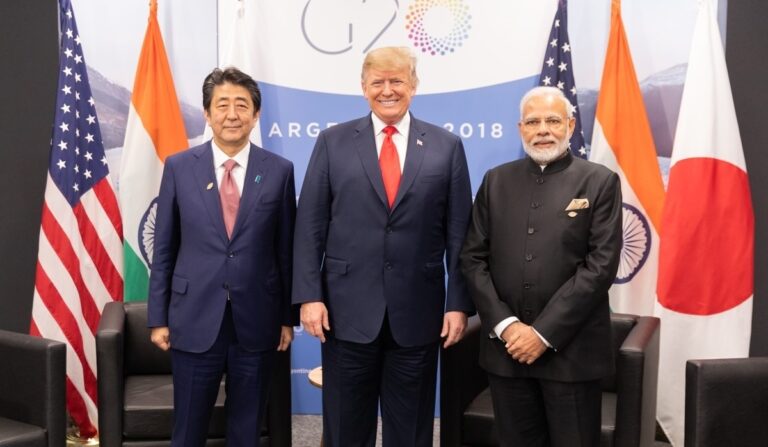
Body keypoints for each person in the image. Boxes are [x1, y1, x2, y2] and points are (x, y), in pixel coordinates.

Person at [293, 46, 474, 447]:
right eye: (378, 82)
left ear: (414, 85)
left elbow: (460, 235)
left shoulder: (447, 146)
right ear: (363, 87)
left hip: (418, 316)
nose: (387, 90)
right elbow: (309, 227)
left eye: (397, 80)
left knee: (410, 432)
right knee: (344, 430)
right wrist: (309, 296)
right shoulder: (332, 142)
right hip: (344, 315)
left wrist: (457, 304)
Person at [461, 86, 623, 447]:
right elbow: (472, 259)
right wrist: (507, 327)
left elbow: (600, 267)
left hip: (573, 354)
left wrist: (542, 333)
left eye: (552, 120)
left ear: (569, 124)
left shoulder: (599, 181)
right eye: (533, 121)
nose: (543, 129)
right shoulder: (495, 181)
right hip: (508, 353)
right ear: (521, 129)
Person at [147, 67, 296, 447]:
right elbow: (164, 248)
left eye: (242, 105)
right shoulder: (179, 167)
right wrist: (158, 317)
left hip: (257, 319)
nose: (232, 114)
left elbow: (285, 251)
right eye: (223, 105)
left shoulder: (279, 171)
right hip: (194, 317)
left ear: (256, 114)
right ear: (207, 113)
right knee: (188, 429)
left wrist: (286, 318)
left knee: (246, 429)